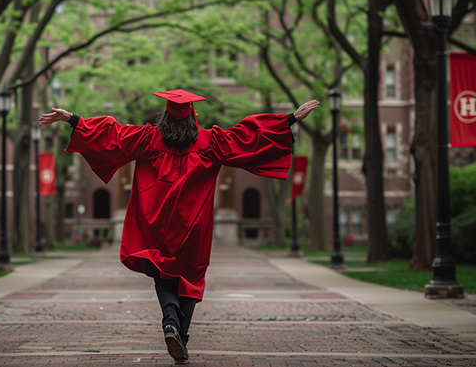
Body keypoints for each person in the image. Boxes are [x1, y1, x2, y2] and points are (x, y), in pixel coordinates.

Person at [39, 90, 319, 364]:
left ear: (165, 118)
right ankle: (180, 336)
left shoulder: (147, 138)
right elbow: (248, 138)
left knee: (163, 270)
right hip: (193, 222)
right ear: (192, 118)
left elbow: (113, 135)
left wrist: (73, 119)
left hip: (156, 219)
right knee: (192, 277)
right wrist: (290, 119)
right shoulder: (211, 142)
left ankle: (170, 322)